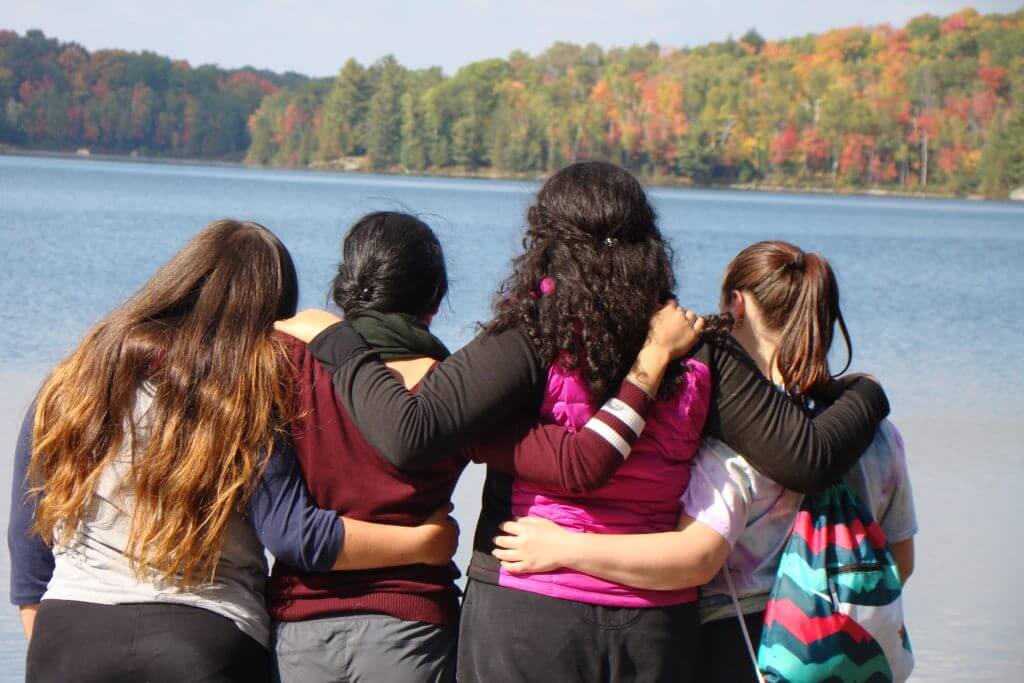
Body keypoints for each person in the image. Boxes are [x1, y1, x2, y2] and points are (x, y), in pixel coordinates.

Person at [276, 161, 891, 682]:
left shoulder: (530, 337)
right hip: (655, 630)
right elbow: (808, 457)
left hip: (526, 616)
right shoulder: (696, 348)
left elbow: (408, 435)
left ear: (542, 244)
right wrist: (866, 393)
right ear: (649, 243)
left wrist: (339, 340)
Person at [7, 220, 457, 683]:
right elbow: (291, 531)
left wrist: (51, 645)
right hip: (206, 638)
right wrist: (424, 542)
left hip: (69, 634)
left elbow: (28, 536)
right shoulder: (246, 392)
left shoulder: (79, 377)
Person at [268, 211, 704, 683]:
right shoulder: (454, 396)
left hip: (300, 624)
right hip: (411, 627)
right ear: (433, 302)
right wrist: (651, 359)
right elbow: (580, 462)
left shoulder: (287, 367)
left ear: (344, 290)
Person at [492, 240, 918, 683]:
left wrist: (565, 547)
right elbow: (900, 559)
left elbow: (695, 559)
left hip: (748, 647)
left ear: (736, 304)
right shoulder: (881, 437)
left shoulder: (738, 444)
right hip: (857, 649)